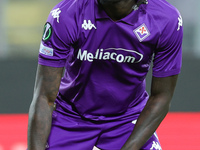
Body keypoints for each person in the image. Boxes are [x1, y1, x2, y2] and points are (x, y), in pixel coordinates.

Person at [28, 0, 183, 149]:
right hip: (71, 116)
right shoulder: (65, 15)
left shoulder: (166, 20)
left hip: (128, 118)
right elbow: (44, 97)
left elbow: (161, 96)